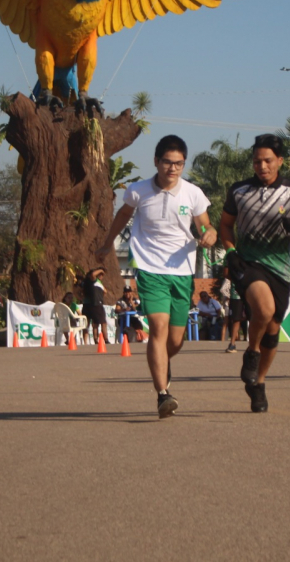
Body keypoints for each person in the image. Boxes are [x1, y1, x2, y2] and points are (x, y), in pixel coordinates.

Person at [96, 135, 215, 418]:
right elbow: (123, 216)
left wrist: (209, 233)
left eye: (179, 164)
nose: (172, 169)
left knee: (175, 341)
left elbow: (205, 224)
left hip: (183, 272)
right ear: (156, 162)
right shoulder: (138, 191)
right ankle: (163, 394)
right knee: (158, 330)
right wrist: (107, 244)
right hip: (150, 270)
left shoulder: (193, 193)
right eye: (167, 163)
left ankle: (163, 363)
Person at [220, 134, 290, 412]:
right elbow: (226, 226)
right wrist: (230, 251)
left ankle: (259, 383)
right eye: (256, 161)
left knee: (274, 329)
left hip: (281, 268)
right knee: (263, 311)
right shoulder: (239, 191)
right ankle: (251, 352)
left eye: (267, 161)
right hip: (249, 262)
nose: (262, 166)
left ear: (279, 161)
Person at [81, 267, 107, 345]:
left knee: (88, 324)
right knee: (101, 322)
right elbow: (105, 291)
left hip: (86, 304)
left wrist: (100, 296)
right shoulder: (94, 281)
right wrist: (102, 270)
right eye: (102, 275)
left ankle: (87, 342)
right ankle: (105, 339)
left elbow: (105, 291)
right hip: (95, 304)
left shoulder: (85, 282)